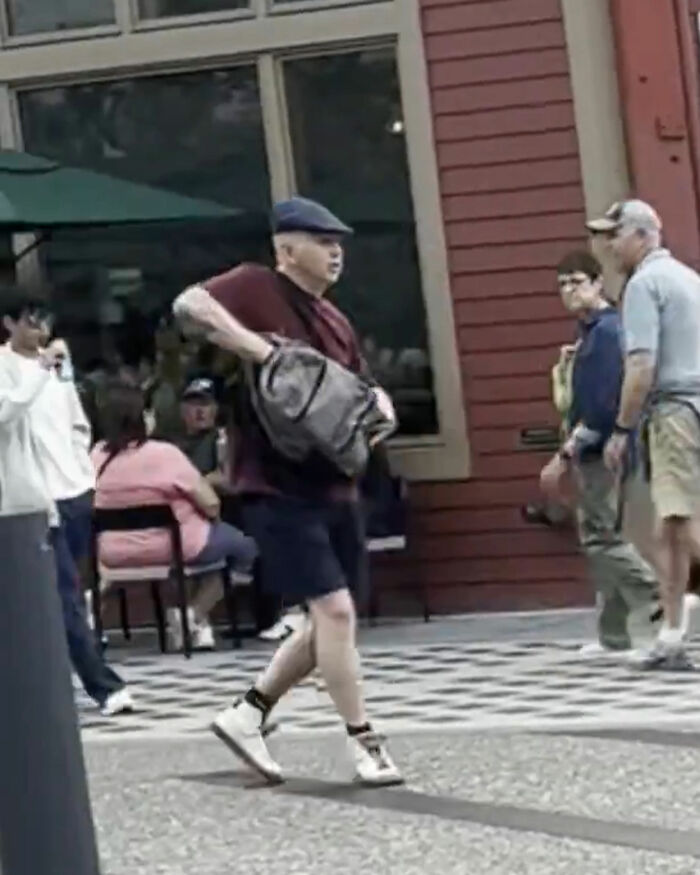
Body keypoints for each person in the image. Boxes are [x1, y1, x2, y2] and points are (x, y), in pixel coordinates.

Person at [172, 195, 402, 786]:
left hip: (336, 487)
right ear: (286, 248)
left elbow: (363, 389)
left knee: (329, 621)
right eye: (323, 242)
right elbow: (188, 304)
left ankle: (248, 713)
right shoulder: (256, 285)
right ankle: (364, 741)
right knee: (335, 611)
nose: (335, 253)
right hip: (274, 487)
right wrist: (255, 346)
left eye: (339, 243)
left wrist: (379, 408)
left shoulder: (337, 321)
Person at [0, 288, 132, 715]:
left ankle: (45, 681)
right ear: (9, 323)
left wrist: (83, 473)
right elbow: (6, 413)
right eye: (31, 319)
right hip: (34, 500)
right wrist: (40, 370)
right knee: (64, 593)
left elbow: (77, 423)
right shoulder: (6, 366)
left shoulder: (57, 368)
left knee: (63, 592)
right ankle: (104, 686)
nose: (41, 328)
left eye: (45, 319)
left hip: (73, 491)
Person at [588, 199, 700, 670]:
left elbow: (641, 366)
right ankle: (670, 636)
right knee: (670, 526)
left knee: (679, 524)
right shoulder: (689, 280)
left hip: (673, 411)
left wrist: (621, 429)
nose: (610, 246)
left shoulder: (643, 285)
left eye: (615, 235)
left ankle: (671, 636)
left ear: (642, 235)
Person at [540, 251, 658, 658]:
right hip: (598, 447)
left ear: (597, 283)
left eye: (576, 282)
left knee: (600, 537)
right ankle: (615, 635)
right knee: (604, 538)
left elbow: (605, 402)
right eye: (562, 285)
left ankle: (654, 594)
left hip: (604, 448)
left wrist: (568, 451)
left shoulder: (607, 332)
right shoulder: (589, 333)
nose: (569, 291)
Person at [91, 379, 258, 651]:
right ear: (143, 417)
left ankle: (193, 623)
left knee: (200, 553)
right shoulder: (165, 453)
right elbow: (212, 505)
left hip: (113, 552)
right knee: (242, 548)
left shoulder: (97, 455)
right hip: (175, 547)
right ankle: (193, 615)